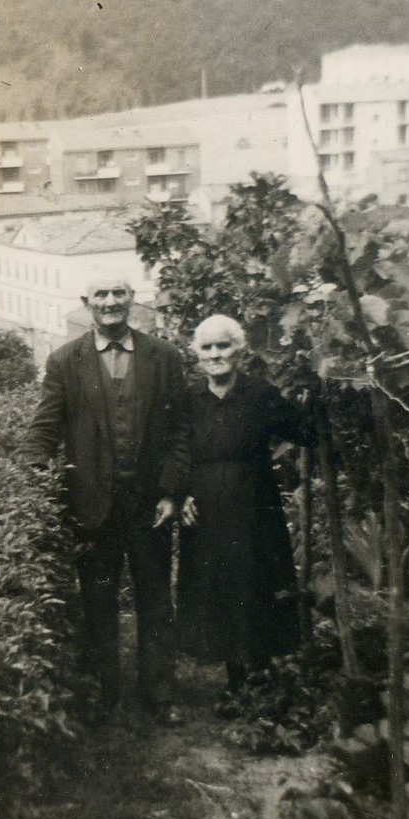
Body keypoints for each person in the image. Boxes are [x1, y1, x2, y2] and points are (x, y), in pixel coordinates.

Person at [24, 275, 189, 726]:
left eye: (119, 294)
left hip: (149, 507)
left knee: (156, 600)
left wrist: (171, 492)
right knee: (98, 603)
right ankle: (103, 694)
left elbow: (179, 433)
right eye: (102, 295)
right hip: (91, 507)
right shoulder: (64, 361)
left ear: (133, 300)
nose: (111, 302)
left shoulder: (164, 358)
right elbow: (45, 427)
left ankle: (159, 695)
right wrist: (31, 468)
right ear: (87, 302)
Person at [178, 314, 314, 702]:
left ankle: (260, 673)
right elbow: (174, 453)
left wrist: (313, 390)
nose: (215, 354)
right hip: (204, 506)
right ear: (197, 354)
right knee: (217, 586)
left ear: (239, 350)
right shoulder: (188, 399)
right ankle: (234, 677)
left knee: (255, 580)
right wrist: (180, 493)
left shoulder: (260, 394)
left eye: (223, 346)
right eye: (207, 348)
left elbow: (305, 432)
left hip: (254, 502)